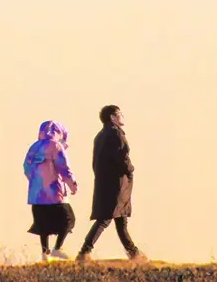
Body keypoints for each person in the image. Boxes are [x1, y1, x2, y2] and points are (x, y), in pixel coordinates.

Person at [77, 104, 145, 262]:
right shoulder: (115, 134)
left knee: (120, 220)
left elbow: (96, 162)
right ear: (113, 117)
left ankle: (134, 254)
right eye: (119, 113)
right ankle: (84, 252)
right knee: (106, 218)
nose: (122, 116)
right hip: (117, 184)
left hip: (105, 182)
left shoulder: (100, 135)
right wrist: (130, 169)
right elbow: (122, 157)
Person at [23, 120, 78, 260]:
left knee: (43, 224)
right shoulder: (56, 146)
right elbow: (64, 168)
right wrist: (72, 184)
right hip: (55, 192)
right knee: (69, 220)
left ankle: (45, 253)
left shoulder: (34, 147)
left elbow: (26, 168)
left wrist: (36, 182)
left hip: (37, 195)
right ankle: (57, 249)